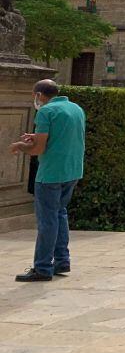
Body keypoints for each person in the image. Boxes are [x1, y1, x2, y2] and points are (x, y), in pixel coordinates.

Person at [7, 80, 85, 283]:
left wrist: (20, 145)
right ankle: (61, 261)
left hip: (51, 173)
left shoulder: (45, 112)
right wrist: (36, 136)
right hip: (72, 170)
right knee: (60, 214)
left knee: (47, 220)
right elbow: (62, 136)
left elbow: (38, 150)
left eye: (34, 95)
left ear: (40, 95)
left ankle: (42, 267)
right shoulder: (75, 108)